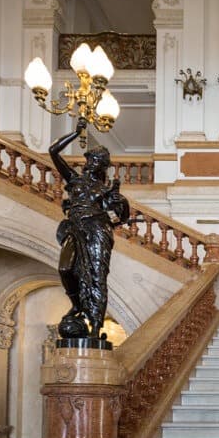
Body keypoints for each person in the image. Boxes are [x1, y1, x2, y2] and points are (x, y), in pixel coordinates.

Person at [48, 118, 130, 342]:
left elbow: (122, 215)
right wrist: (76, 133)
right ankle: (76, 305)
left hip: (97, 230)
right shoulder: (75, 181)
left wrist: (116, 199)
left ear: (102, 165)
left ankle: (95, 326)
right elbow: (53, 151)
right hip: (74, 229)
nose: (90, 162)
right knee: (65, 268)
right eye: (90, 158)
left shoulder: (104, 189)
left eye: (96, 160)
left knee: (96, 276)